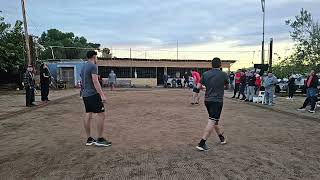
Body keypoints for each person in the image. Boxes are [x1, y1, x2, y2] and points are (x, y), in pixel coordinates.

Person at [196, 58, 228, 151]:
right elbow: (227, 86)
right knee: (212, 121)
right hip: (217, 101)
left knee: (214, 120)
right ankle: (202, 143)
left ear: (211, 65)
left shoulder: (206, 74)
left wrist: (206, 88)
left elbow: (198, 87)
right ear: (220, 65)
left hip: (207, 101)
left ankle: (221, 137)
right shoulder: (223, 74)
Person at [80, 50, 111, 147]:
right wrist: (102, 94)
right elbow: (95, 81)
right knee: (101, 114)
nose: (97, 59)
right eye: (96, 57)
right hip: (93, 94)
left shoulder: (84, 66)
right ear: (94, 56)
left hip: (85, 94)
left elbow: (82, 80)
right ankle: (100, 139)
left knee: (88, 114)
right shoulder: (93, 66)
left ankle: (89, 139)